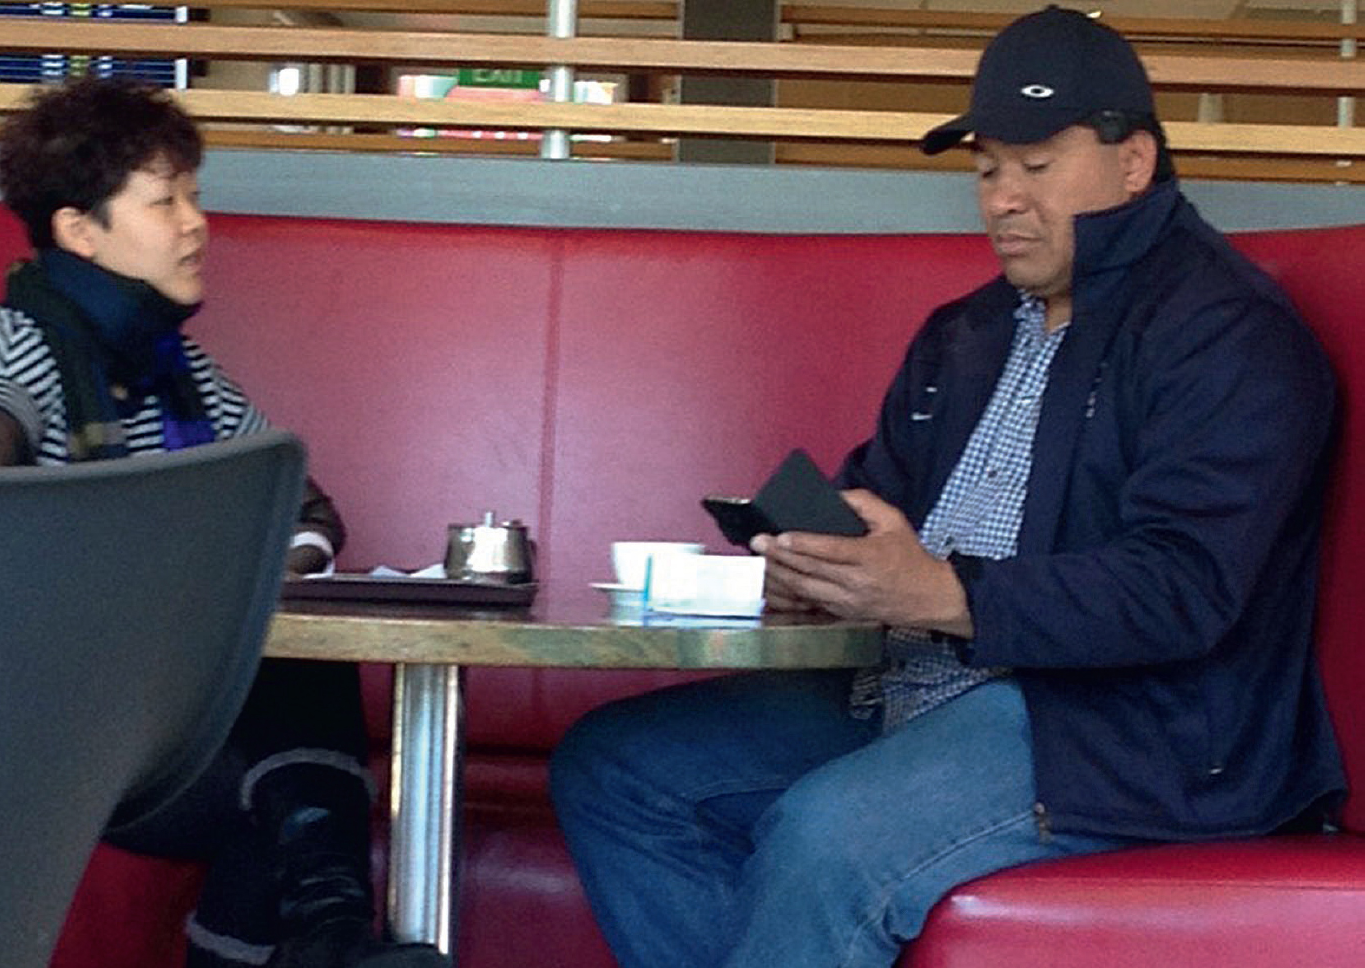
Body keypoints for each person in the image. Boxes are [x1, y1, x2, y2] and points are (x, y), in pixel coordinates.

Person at [549, 8, 1346, 968]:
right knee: (620, 769)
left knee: (828, 835)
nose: (1003, 199)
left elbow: (1184, 587)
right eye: (985, 169)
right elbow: (881, 500)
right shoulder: (965, 334)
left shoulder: (1226, 333)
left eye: (1036, 167)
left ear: (1133, 164)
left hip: (1124, 729)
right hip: (913, 684)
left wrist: (941, 594)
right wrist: (820, 564)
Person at [0, 77, 447, 968]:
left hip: (138, 726)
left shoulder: (173, 368)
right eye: (165, 200)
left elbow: (298, 497)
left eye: (194, 194)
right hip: (26, 732)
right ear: (81, 231)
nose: (196, 222)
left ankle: (330, 933)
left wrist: (282, 561)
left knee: (283, 663)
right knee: (278, 755)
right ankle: (329, 936)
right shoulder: (6, 347)